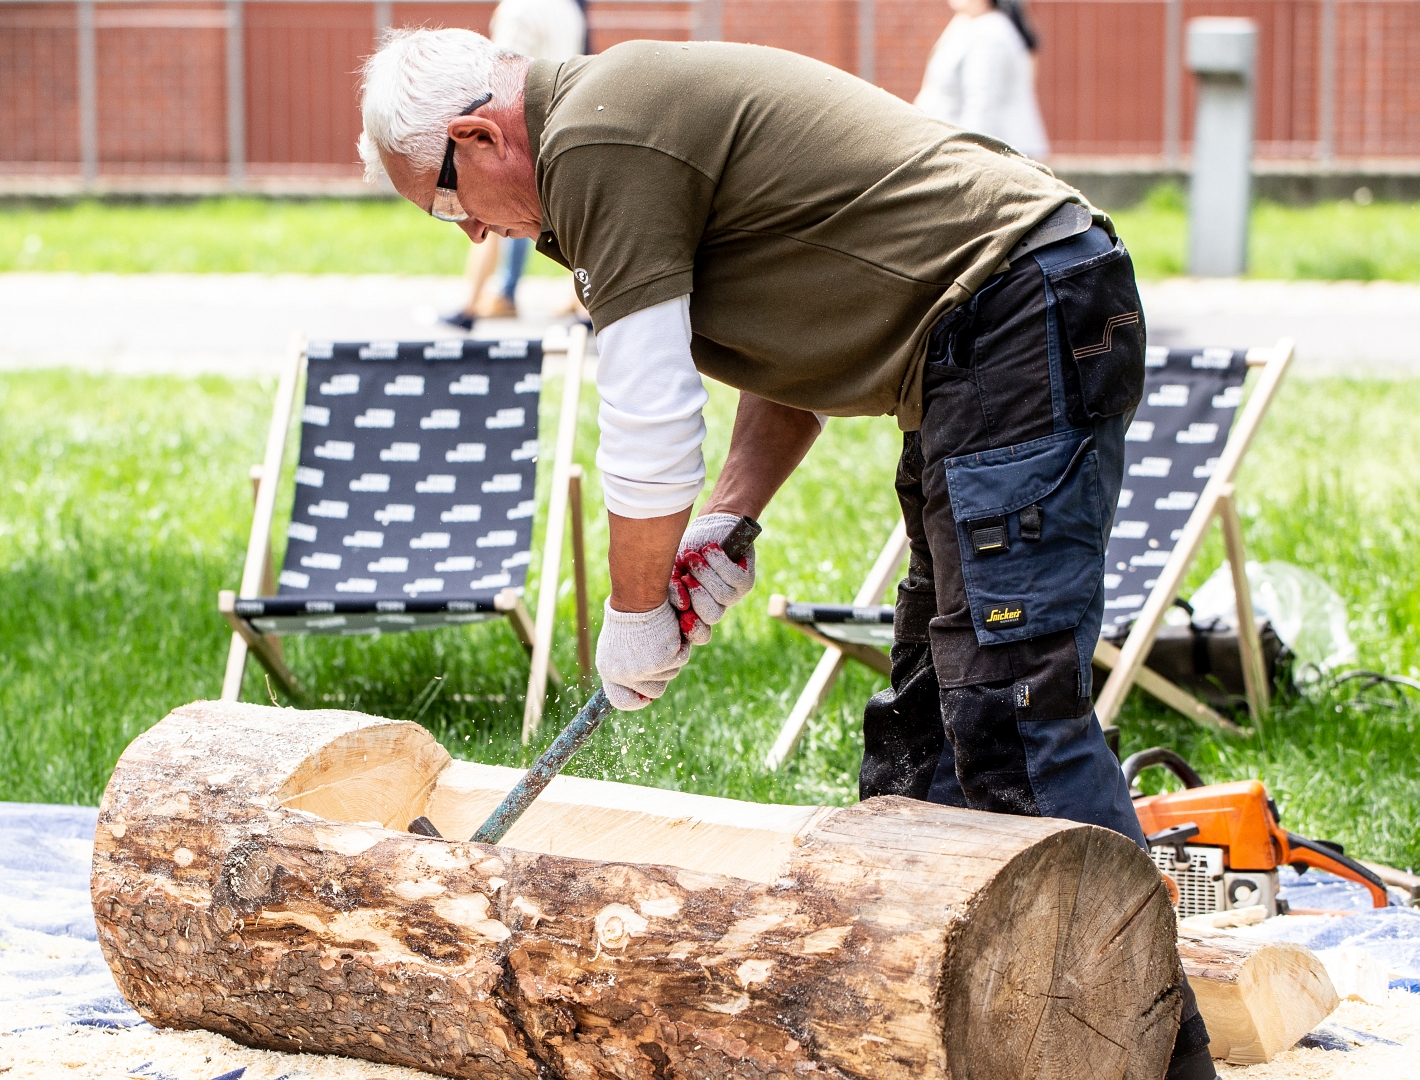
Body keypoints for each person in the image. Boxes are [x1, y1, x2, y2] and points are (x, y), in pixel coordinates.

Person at [358, 29, 1215, 1079]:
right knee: (930, 716)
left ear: (478, 134)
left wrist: (633, 619)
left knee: (1010, 711)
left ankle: (1156, 1056)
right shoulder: (615, 137)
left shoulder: (594, 142)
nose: (471, 232)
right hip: (984, 335)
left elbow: (648, 424)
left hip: (1015, 312)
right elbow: (801, 338)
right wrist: (728, 519)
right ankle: (939, 1024)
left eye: (453, 205)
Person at [441, 0, 585, 330]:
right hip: (562, 120)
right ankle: (574, 308)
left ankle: (472, 305)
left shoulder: (518, 9)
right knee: (559, 220)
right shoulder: (567, 9)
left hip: (518, 130)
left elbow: (500, 76)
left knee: (492, 215)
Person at [914, 0, 1050, 160]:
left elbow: (981, 104)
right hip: (974, 151)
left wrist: (966, 155)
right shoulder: (965, 24)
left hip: (998, 156)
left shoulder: (989, 32)